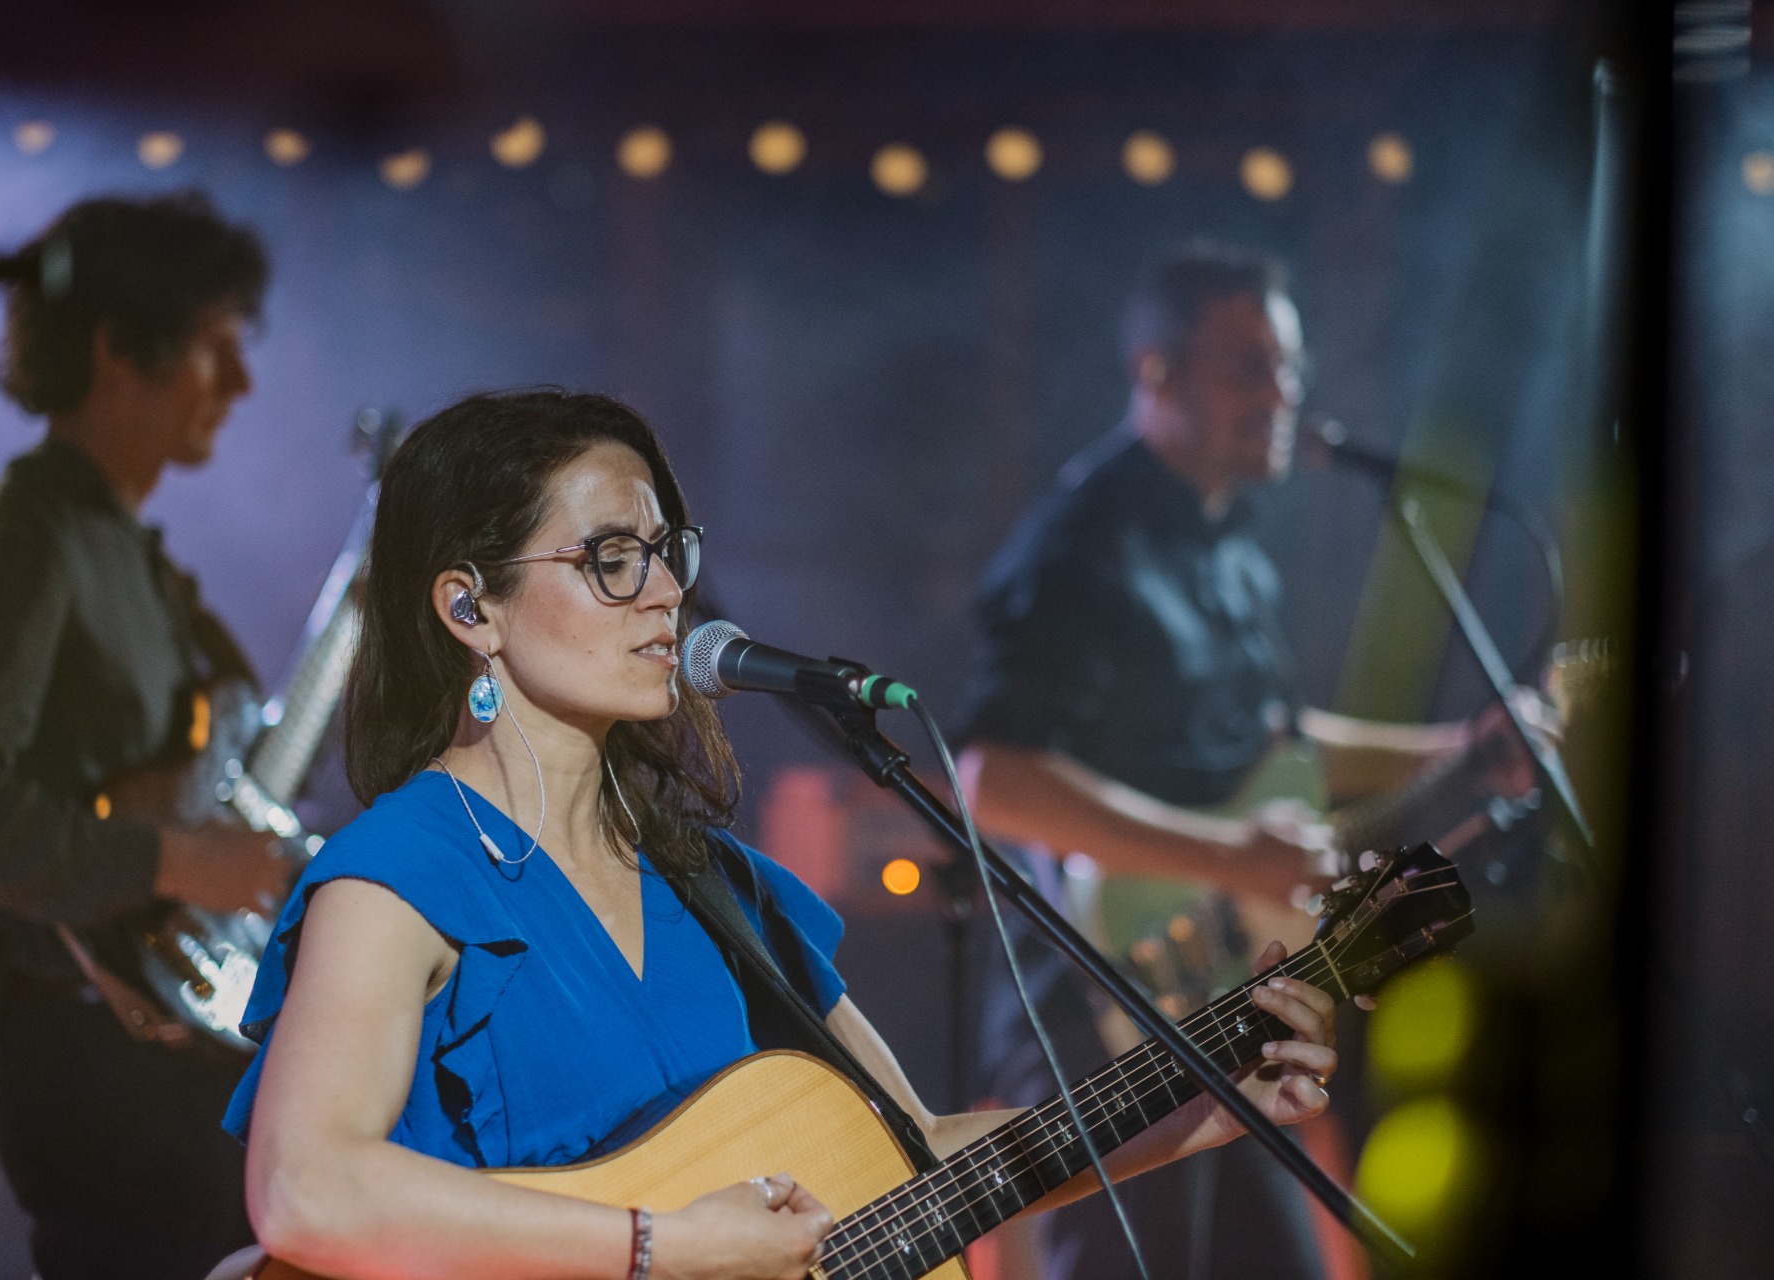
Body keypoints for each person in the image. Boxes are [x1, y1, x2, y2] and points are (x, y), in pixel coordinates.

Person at [224, 388, 1342, 1280]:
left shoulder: (711, 884)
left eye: (667, 550)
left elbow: (910, 1154)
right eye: (610, 557)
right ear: (471, 608)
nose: (665, 593)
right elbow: (304, 1191)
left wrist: (1203, 1106)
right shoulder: (399, 872)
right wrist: (663, 1246)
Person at [958, 243, 1510, 1280]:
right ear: (1157, 373)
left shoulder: (1234, 546)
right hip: (1098, 1006)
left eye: (1290, 367)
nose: (1283, 394)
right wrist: (1231, 856)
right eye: (1250, 367)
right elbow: (995, 778)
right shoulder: (1080, 546)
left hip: (1226, 1006)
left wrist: (1462, 751)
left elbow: (1283, 748)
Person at [0, 192, 289, 1280]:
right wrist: (181, 860)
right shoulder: (25, 534)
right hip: (97, 1070)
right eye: (214, 347)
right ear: (117, 348)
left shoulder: (129, 555)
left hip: (162, 1063)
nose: (239, 384)